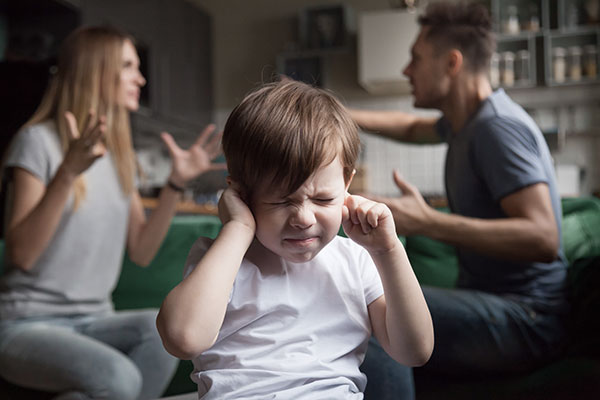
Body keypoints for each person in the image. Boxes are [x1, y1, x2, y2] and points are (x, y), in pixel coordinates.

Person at [156, 79, 434, 399]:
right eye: (281, 201)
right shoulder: (221, 260)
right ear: (241, 194)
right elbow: (182, 339)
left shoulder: (356, 260)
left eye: (323, 200)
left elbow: (415, 351)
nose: (303, 218)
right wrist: (238, 229)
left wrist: (388, 250)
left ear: (346, 182)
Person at [349, 0, 569, 393]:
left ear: (452, 63)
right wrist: (335, 112)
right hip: (501, 307)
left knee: (376, 313)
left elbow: (544, 238)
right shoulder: (464, 123)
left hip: (527, 318)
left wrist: (426, 222)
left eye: (416, 59)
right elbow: (411, 126)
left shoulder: (495, 129)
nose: (406, 70)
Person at [0, 26, 225, 399]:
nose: (140, 77)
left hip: (96, 319)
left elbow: (141, 250)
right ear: (96, 71)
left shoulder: (120, 155)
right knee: (119, 377)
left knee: (161, 334)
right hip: (25, 324)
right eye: (127, 66)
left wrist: (174, 184)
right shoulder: (37, 142)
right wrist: (68, 172)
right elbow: (22, 254)